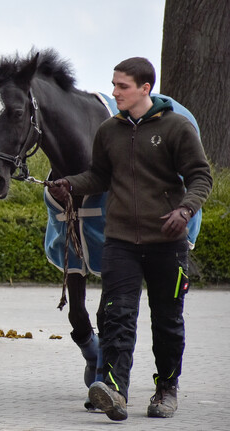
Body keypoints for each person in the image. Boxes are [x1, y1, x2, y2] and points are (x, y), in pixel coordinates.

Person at [48, 57, 212, 421]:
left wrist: (184, 210)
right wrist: (70, 184)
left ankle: (166, 389)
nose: (114, 92)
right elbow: (99, 177)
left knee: (167, 321)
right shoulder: (109, 131)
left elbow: (201, 177)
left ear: (145, 88)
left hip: (167, 243)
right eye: (114, 84)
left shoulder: (177, 128)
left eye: (122, 86)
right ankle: (115, 391)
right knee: (116, 315)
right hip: (120, 241)